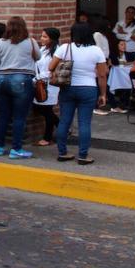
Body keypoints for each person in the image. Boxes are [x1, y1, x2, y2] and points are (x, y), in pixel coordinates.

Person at [50, 22, 108, 164]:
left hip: (68, 88)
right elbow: (102, 75)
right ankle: (83, 155)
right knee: (84, 123)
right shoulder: (96, 50)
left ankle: (62, 152)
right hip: (88, 89)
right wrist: (103, 94)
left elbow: (51, 66)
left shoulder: (65, 48)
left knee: (64, 121)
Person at [0, 16, 40, 159]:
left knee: (3, 115)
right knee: (19, 117)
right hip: (22, 80)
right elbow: (39, 57)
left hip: (2, 79)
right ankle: (16, 148)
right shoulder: (30, 42)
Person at [33, 27, 61, 147]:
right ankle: (61, 126)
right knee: (40, 108)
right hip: (39, 83)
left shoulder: (57, 51)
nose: (42, 39)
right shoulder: (43, 49)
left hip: (49, 84)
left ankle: (48, 137)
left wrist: (37, 77)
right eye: (42, 36)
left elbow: (52, 70)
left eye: (45, 37)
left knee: (47, 110)